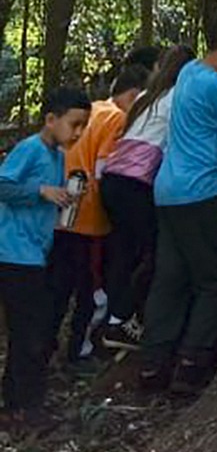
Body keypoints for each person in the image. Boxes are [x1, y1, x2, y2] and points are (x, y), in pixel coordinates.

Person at [139, 9, 217, 395]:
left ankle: (153, 362)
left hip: (168, 190)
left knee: (170, 278)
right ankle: (192, 362)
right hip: (202, 190)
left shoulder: (189, 71)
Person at [47, 64, 148, 369]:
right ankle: (79, 351)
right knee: (90, 290)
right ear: (134, 95)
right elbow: (105, 170)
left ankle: (47, 348)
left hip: (62, 214)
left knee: (59, 287)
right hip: (90, 217)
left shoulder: (93, 110)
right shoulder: (117, 118)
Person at [0, 87, 90, 424]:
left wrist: (65, 199)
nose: (78, 132)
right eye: (74, 124)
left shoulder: (59, 157)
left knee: (33, 330)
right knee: (30, 332)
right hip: (14, 252)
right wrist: (40, 191)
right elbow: (3, 185)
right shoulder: (30, 149)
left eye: (83, 126)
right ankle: (26, 405)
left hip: (37, 253)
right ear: (51, 119)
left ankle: (16, 402)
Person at [100, 44, 195, 351]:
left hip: (113, 178)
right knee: (155, 253)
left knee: (124, 252)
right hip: (137, 182)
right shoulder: (178, 98)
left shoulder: (145, 97)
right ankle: (124, 317)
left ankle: (113, 319)